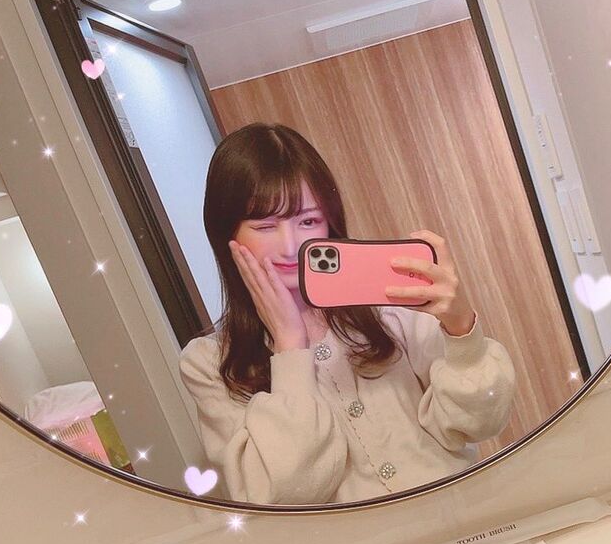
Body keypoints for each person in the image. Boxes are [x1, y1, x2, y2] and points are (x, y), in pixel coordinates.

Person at [179, 123, 515, 505]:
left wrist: (461, 331)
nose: (290, 246)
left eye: (308, 221)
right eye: (266, 225)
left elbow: (480, 424)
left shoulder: (391, 307)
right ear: (227, 235)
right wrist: (289, 348)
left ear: (330, 222)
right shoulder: (209, 363)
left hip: (463, 519)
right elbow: (282, 496)